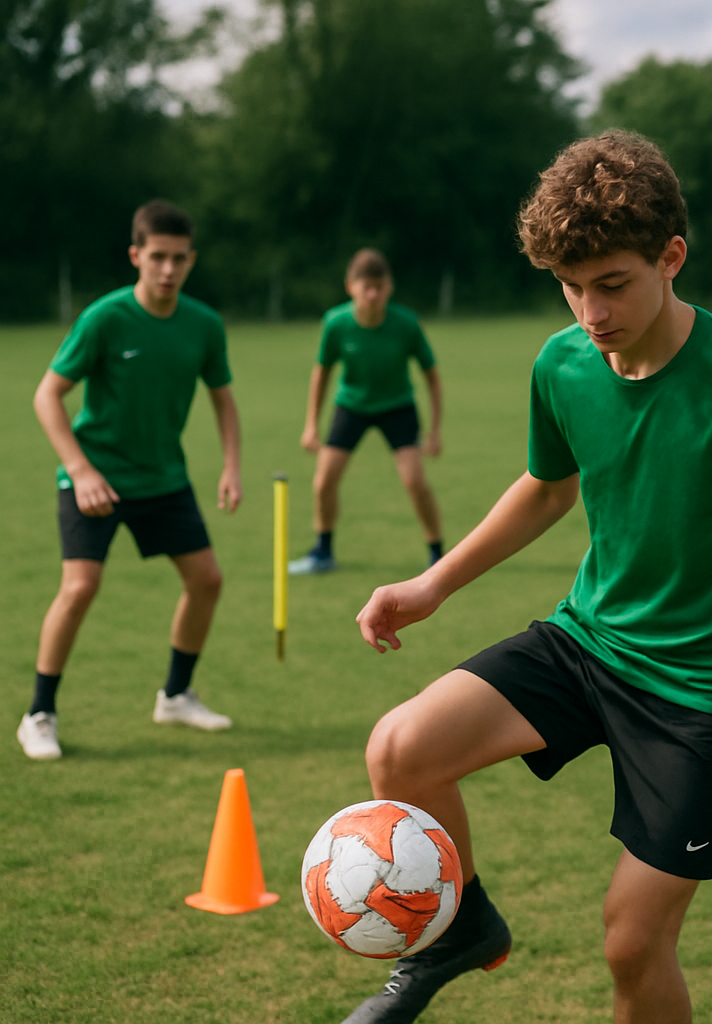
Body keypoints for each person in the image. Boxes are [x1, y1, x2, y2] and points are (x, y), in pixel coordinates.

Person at [340, 131, 712, 1024]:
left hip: (705, 693)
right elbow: (548, 489)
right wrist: (433, 585)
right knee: (400, 749)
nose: (591, 311)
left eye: (613, 284)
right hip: (589, 641)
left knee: (631, 943)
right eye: (571, 286)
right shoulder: (562, 364)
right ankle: (463, 928)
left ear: (671, 257)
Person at [18, 200, 243, 761]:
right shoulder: (105, 317)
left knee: (207, 581)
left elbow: (223, 400)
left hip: (163, 477)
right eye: (157, 257)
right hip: (94, 476)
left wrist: (232, 464)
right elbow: (47, 395)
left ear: (191, 261)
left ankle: (175, 695)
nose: (168, 269)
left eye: (178, 259)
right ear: (136, 256)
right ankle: (38, 714)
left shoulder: (203, 324)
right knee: (80, 587)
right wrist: (80, 469)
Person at [289, 249, 444, 574]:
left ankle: (437, 555)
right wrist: (310, 425)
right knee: (323, 481)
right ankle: (323, 553)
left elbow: (431, 375)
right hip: (352, 406)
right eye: (366, 287)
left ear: (389, 286)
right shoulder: (336, 323)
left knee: (415, 481)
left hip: (397, 406)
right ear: (351, 287)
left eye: (380, 286)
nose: (373, 294)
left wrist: (434, 431)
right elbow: (322, 372)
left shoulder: (405, 323)